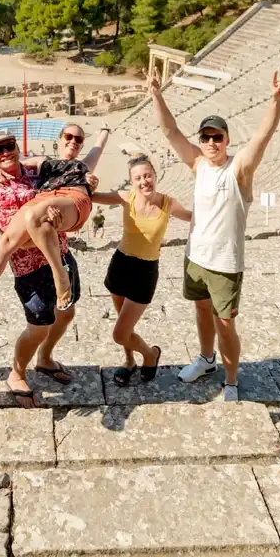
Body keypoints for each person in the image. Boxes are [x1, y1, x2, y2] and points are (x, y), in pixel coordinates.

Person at [150, 70, 280, 402]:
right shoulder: (198, 164)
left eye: (218, 137)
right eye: (206, 137)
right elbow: (170, 131)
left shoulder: (239, 169)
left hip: (225, 262)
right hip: (195, 256)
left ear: (227, 140)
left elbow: (262, 136)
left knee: (225, 324)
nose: (211, 143)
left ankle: (231, 380)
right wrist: (156, 94)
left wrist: (276, 101)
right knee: (201, 310)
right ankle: (206, 359)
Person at [0, 122, 109, 325]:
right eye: (68, 137)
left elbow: (96, 153)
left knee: (33, 218)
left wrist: (104, 134)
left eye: (78, 139)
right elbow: (13, 238)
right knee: (8, 241)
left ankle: (59, 274)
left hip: (70, 208)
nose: (73, 142)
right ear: (59, 140)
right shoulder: (37, 166)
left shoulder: (63, 169)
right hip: (32, 261)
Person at [0, 129, 89, 407]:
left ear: (16, 146)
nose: (5, 153)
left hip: (63, 256)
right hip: (31, 269)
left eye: (8, 146)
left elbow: (63, 182)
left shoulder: (36, 173)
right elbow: (15, 240)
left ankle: (44, 358)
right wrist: (47, 228)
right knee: (38, 327)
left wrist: (59, 218)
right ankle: (16, 373)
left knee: (67, 313)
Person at [92, 155, 191, 385]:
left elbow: (192, 218)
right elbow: (92, 196)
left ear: (155, 175)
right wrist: (88, 182)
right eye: (138, 178)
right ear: (131, 181)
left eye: (147, 175)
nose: (144, 181)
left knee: (120, 333)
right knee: (122, 321)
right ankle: (129, 361)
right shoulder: (126, 197)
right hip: (120, 265)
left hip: (145, 271)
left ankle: (149, 354)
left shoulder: (168, 203)